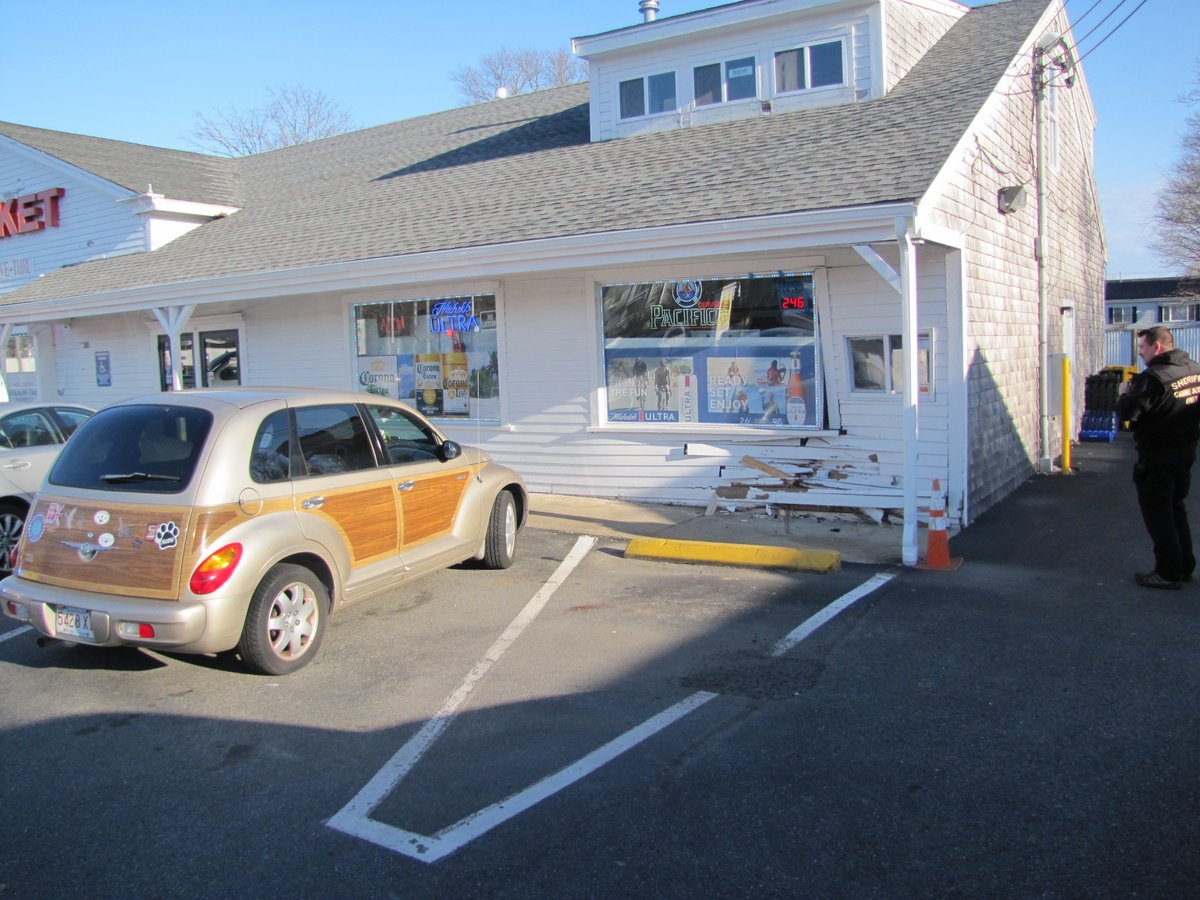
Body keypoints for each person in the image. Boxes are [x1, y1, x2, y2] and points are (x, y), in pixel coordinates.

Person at [1117, 325, 1200, 589]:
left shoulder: (1153, 379)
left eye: (1142, 347)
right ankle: (1184, 565)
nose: (1140, 353)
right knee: (1175, 508)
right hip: (1185, 452)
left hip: (1157, 456)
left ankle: (1167, 573)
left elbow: (1128, 414)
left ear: (1157, 346)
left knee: (1159, 516)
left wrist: (1123, 395)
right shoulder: (1194, 369)